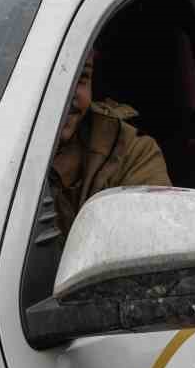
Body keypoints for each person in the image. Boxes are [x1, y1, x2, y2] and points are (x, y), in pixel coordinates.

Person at [50, 51, 171, 232]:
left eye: (82, 77)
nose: (69, 93)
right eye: (51, 77)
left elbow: (150, 241)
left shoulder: (132, 153)